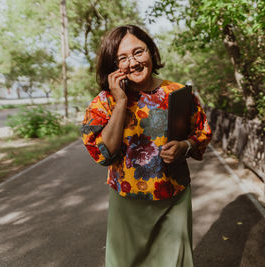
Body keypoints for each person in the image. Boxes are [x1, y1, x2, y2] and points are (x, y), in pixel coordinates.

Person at [81, 25, 212, 267]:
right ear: (114, 65)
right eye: (122, 58)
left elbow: (201, 133)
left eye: (138, 52)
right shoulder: (104, 102)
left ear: (150, 52)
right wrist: (120, 103)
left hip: (174, 198)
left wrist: (185, 146)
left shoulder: (178, 93)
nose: (133, 62)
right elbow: (103, 154)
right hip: (127, 201)